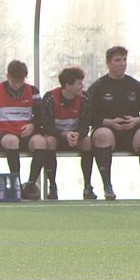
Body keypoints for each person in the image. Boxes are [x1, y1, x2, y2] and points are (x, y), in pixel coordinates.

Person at [86, 45, 140, 200]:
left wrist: (137, 120)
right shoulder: (98, 87)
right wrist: (108, 122)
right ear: (108, 63)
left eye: (124, 60)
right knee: (101, 134)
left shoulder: (136, 86)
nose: (122, 64)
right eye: (117, 60)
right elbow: (87, 116)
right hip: (109, 131)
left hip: (133, 132)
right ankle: (107, 187)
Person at [0, 60, 46, 200]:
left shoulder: (32, 91)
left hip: (25, 134)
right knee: (12, 141)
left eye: (21, 81)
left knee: (41, 142)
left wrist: (33, 125)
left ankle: (30, 184)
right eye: (14, 81)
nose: (17, 85)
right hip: (4, 135)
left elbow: (42, 117)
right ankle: (16, 182)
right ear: (8, 76)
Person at [41, 67, 95, 200]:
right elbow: (46, 126)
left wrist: (78, 134)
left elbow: (86, 124)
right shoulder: (50, 98)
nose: (82, 86)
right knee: (49, 141)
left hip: (75, 137)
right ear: (68, 86)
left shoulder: (85, 98)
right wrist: (64, 134)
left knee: (87, 141)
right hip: (57, 136)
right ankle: (52, 186)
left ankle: (88, 186)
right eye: (79, 83)